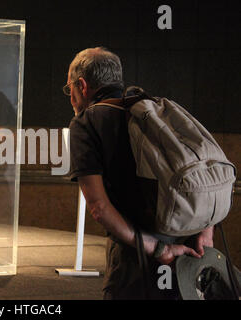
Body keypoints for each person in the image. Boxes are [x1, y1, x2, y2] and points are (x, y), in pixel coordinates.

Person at [66, 47, 215, 299]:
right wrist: (205, 232)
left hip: (136, 258)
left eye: (69, 88)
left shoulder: (87, 123)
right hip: (191, 250)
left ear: (81, 85)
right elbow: (206, 173)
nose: (70, 96)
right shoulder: (161, 111)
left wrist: (159, 249)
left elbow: (99, 207)